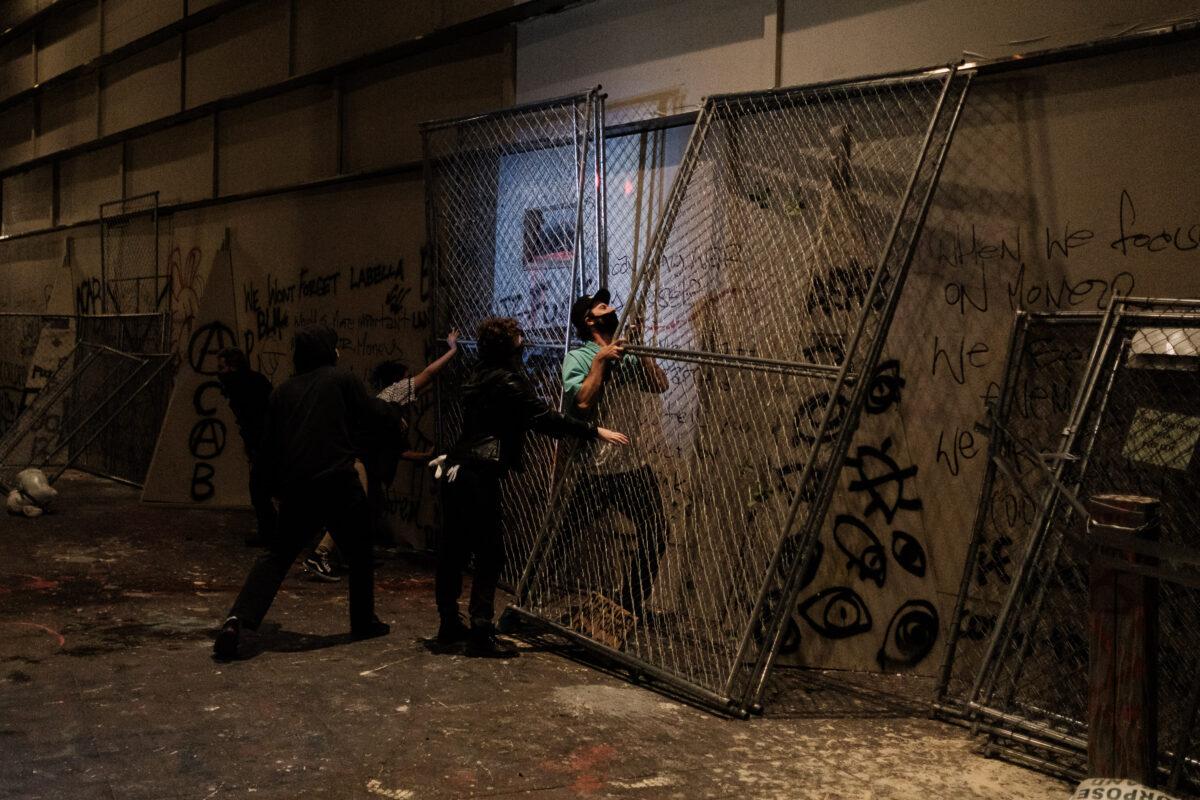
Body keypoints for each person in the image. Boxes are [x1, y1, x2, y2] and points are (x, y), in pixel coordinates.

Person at [433, 316, 629, 658]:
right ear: (510, 347)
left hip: (457, 468)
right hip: (480, 472)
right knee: (490, 553)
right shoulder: (508, 381)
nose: (524, 344)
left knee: (454, 550)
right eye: (519, 339)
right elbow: (543, 419)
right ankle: (480, 632)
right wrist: (593, 431)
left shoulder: (477, 376)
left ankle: (449, 624)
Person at [213, 326, 391, 660]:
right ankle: (363, 620)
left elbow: (270, 449)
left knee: (276, 558)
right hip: (338, 481)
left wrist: (270, 491)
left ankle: (238, 619)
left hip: (299, 486)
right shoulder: (342, 380)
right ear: (327, 350)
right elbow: (371, 416)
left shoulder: (283, 391)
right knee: (360, 553)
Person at [302, 330, 461, 580]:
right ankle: (320, 553)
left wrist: (423, 456)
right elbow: (429, 374)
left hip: (365, 462)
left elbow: (396, 450)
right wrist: (452, 350)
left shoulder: (390, 406)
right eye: (408, 378)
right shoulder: (395, 393)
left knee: (368, 510)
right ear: (398, 380)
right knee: (350, 506)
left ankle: (347, 555)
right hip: (359, 462)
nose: (414, 385)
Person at [558, 289, 670, 625]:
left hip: (631, 466)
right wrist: (599, 361)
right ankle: (529, 592)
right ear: (588, 319)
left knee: (656, 530)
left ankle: (630, 602)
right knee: (564, 536)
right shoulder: (578, 358)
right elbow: (582, 401)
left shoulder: (629, 356)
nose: (612, 308)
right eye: (602, 306)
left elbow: (659, 384)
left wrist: (641, 350)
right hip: (596, 468)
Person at [216, 348, 276, 547]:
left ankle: (271, 532)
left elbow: (250, 420)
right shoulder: (256, 380)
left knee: (259, 489)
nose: (219, 372)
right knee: (263, 487)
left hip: (264, 443)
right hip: (268, 442)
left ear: (232, 367)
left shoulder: (237, 385)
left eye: (222, 367)